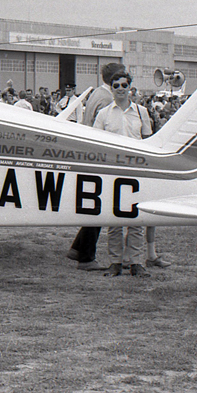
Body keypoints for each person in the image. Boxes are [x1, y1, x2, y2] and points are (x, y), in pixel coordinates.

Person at [66, 62, 125, 272]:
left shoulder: (96, 94)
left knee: (96, 205)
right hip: (101, 158)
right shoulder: (108, 99)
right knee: (100, 207)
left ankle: (78, 248)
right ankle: (86, 256)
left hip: (90, 154)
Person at [92, 69, 152, 277]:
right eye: (115, 86)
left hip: (136, 171)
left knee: (136, 219)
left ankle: (136, 263)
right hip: (113, 172)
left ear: (130, 88)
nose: (120, 89)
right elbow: (97, 145)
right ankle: (115, 262)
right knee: (114, 219)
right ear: (111, 88)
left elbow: (147, 141)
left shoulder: (141, 112)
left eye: (123, 85)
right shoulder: (104, 114)